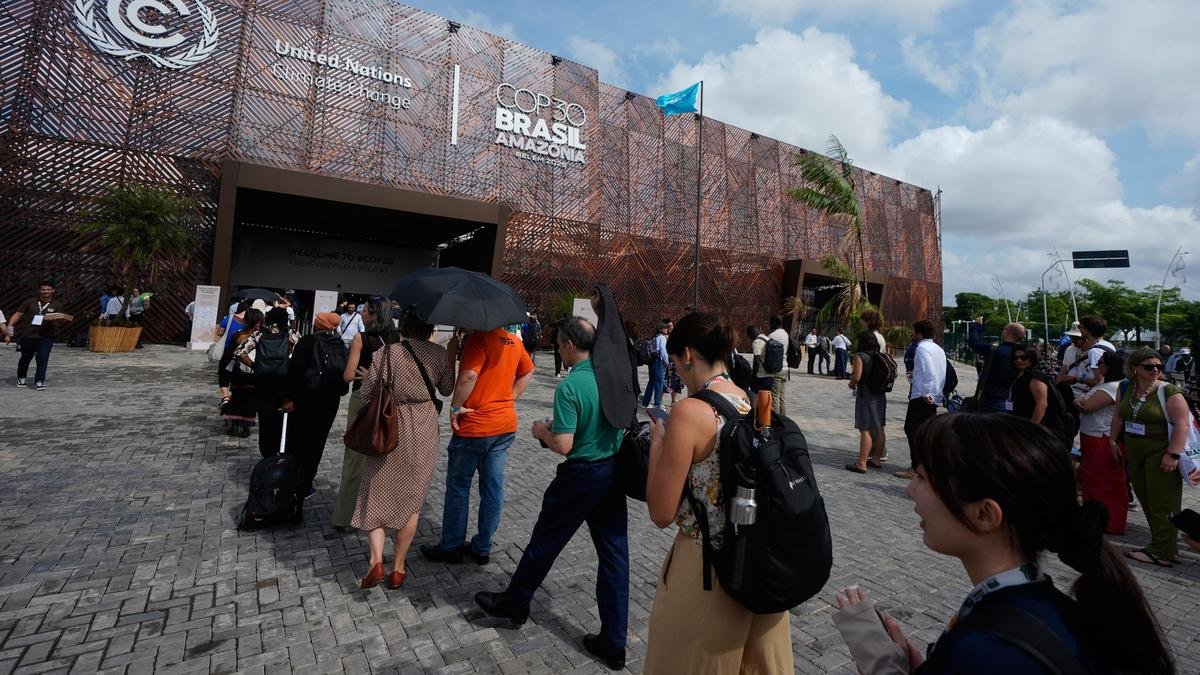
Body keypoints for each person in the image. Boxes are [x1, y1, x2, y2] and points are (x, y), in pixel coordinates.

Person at [834, 413, 1173, 675]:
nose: (910, 490)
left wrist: (882, 662)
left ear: (985, 514)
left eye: (923, 478)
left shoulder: (985, 652)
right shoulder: (1049, 609)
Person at [474, 317, 629, 670]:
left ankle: (516, 601)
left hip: (581, 475)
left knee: (545, 541)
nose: (557, 349)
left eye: (558, 344)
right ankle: (615, 640)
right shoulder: (611, 375)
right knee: (614, 555)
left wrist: (542, 431)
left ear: (570, 346)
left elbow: (563, 444)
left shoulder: (571, 386)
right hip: (611, 471)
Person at [643, 312, 793, 673]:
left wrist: (657, 447)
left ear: (687, 355)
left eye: (675, 362)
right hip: (757, 563)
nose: (677, 371)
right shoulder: (752, 402)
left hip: (707, 569)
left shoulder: (690, 412)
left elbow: (661, 513)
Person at [354, 310, 454, 590]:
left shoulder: (387, 353)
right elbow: (447, 390)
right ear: (429, 328)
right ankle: (398, 567)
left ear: (404, 327)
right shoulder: (438, 354)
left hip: (388, 427)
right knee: (412, 499)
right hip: (423, 427)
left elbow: (366, 394)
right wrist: (452, 354)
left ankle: (376, 561)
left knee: (376, 491)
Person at [421, 323, 535, 564]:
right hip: (504, 426)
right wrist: (510, 397)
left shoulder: (479, 339)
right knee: (493, 488)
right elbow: (528, 371)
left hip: (476, 425)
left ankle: (451, 545)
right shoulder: (514, 342)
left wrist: (455, 408)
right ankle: (482, 546)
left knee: (459, 486)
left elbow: (469, 376)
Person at [1110, 347, 1196, 567]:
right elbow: (1119, 415)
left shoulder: (1168, 391)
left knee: (1162, 501)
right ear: (1134, 368)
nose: (1155, 370)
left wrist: (1172, 455)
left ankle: (1162, 551)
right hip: (1134, 450)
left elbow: (1182, 425)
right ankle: (1165, 545)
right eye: (1149, 366)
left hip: (1160, 451)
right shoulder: (1126, 386)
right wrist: (1113, 441)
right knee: (1146, 498)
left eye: (1158, 366)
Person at [332, 296, 398, 533]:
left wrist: (365, 373)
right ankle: (375, 512)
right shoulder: (396, 339)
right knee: (382, 456)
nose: (362, 314)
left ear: (374, 315)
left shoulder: (361, 338)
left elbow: (349, 376)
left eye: (366, 311)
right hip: (388, 402)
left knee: (355, 457)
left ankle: (345, 517)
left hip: (363, 400)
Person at [281, 312, 346, 499]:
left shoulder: (307, 341)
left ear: (318, 325)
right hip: (330, 400)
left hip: (306, 398)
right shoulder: (339, 343)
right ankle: (307, 483)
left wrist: (288, 398)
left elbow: (295, 371)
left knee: (297, 440)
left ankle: (293, 481)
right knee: (317, 443)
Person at [1074, 350, 1128, 535]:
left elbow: (1087, 405)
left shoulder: (1113, 386)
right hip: (1092, 435)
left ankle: (1112, 521)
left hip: (1102, 438)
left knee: (1106, 480)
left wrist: (1080, 401)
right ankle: (1095, 518)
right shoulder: (1105, 384)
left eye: (1101, 363)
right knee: (1092, 479)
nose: (1097, 366)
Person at [238, 308, 299, 459]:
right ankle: (281, 452)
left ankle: (267, 454)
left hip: (263, 384)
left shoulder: (259, 334)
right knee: (284, 420)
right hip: (284, 384)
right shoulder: (291, 334)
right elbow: (300, 356)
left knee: (266, 422)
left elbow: (239, 352)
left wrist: (255, 366)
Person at [895, 320, 945, 480]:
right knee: (924, 431)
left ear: (919, 333)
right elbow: (940, 371)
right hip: (934, 395)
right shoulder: (938, 348)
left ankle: (916, 466)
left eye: (913, 331)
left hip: (922, 396)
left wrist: (926, 392)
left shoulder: (922, 348)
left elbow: (930, 371)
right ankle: (925, 465)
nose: (911, 334)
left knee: (913, 430)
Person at [9, 280, 73, 390]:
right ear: (39, 290)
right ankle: (21, 377)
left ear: (53, 290)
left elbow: (60, 321)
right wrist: (10, 326)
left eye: (48, 289)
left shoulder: (57, 304)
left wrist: (58, 320)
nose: (45, 292)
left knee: (42, 358)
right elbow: (18, 314)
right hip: (29, 335)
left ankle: (39, 381)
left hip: (46, 336)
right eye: (43, 289)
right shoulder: (30, 302)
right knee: (25, 358)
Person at [846, 330, 887, 473]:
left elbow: (857, 377)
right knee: (879, 427)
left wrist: (851, 383)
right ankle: (876, 459)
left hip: (866, 395)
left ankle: (862, 463)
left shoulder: (860, 356)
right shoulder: (879, 355)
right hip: (880, 395)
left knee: (865, 428)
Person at [968, 318, 1026, 412]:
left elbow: (974, 344)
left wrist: (976, 326)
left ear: (1007, 332)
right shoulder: (1024, 354)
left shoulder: (995, 350)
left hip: (991, 400)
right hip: (1013, 401)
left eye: (1004, 329)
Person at [222, 308, 263, 437]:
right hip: (243, 371)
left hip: (249, 371)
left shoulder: (242, 334)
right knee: (242, 398)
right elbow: (229, 354)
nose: (258, 324)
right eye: (257, 321)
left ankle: (243, 425)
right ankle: (241, 425)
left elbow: (229, 353)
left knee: (247, 399)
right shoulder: (242, 335)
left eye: (260, 322)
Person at [1061, 315, 1116, 393]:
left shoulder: (1094, 351)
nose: (1079, 330)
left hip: (1094, 394)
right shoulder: (1108, 345)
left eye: (1080, 327)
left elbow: (1098, 381)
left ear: (1086, 330)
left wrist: (1077, 379)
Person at [215, 300, 247, 408]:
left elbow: (219, 332)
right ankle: (236, 396)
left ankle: (225, 397)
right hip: (243, 352)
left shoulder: (228, 319)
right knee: (239, 373)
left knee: (224, 373)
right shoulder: (249, 321)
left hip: (228, 350)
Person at [756, 315, 790, 415]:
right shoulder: (786, 334)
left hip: (776, 369)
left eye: (770, 322)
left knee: (775, 396)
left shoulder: (772, 336)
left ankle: (776, 418)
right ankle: (783, 418)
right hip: (785, 367)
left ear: (774, 323)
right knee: (782, 397)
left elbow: (767, 354)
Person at [639, 321, 670, 409]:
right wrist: (666, 362)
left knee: (651, 382)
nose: (667, 329)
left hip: (652, 360)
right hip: (658, 361)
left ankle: (645, 403)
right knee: (659, 383)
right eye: (665, 328)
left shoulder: (654, 337)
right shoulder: (662, 338)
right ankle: (657, 404)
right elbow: (663, 351)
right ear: (660, 329)